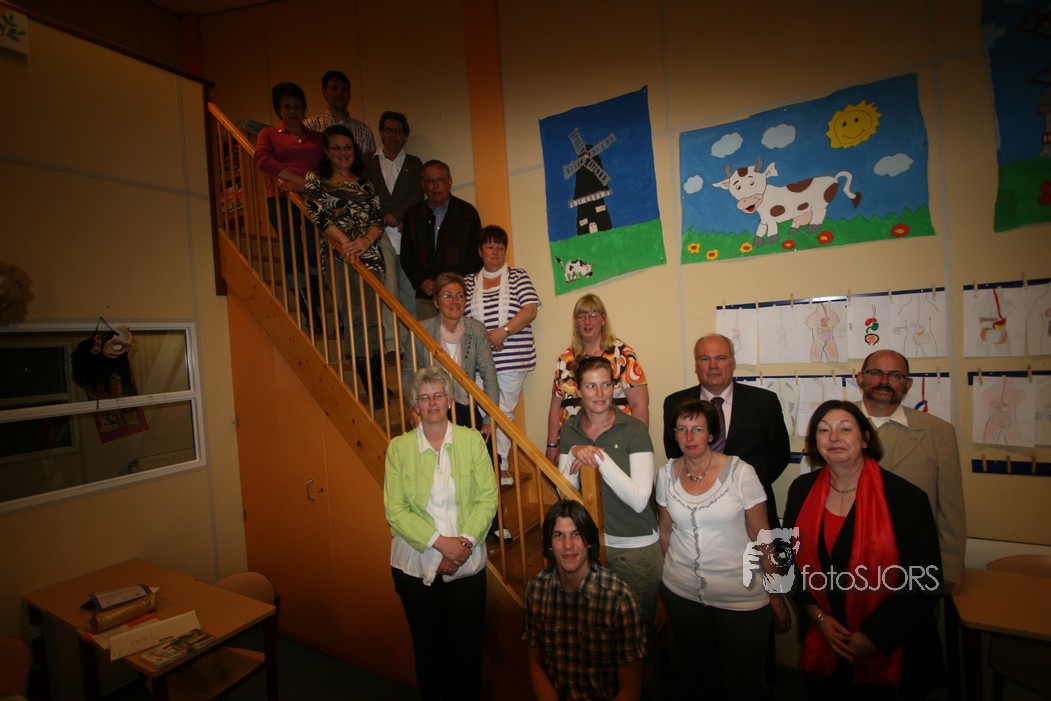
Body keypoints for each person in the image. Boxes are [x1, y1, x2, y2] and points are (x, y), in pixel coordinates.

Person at [782, 400, 943, 700]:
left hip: (890, 647)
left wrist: (873, 637)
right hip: (823, 640)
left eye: (845, 429)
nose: (834, 437)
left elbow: (924, 582)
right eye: (824, 430)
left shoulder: (906, 498)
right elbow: (789, 564)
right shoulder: (802, 489)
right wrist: (818, 617)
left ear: (866, 439)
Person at [657, 398, 791, 699]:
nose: (689, 437)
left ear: (711, 434)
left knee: (745, 683)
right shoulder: (665, 475)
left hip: (739, 599)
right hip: (682, 597)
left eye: (697, 429)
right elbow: (665, 531)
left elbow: (762, 535)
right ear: (674, 435)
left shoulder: (741, 473)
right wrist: (677, 573)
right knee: (699, 680)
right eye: (681, 429)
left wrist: (776, 592)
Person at [383, 366, 498, 701]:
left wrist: (462, 546)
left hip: (468, 567)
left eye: (438, 395)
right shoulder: (399, 448)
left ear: (449, 400)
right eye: (424, 397)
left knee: (468, 655)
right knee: (429, 655)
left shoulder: (472, 440)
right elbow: (395, 510)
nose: (432, 402)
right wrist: (442, 545)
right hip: (414, 567)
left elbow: (487, 498)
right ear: (415, 406)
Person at [558, 356, 661, 626]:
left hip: (635, 549)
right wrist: (573, 454)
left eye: (605, 385)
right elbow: (565, 494)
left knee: (638, 633)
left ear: (614, 387)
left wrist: (598, 458)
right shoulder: (569, 429)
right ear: (578, 390)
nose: (600, 393)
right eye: (591, 386)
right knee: (600, 631)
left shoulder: (634, 429)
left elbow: (640, 500)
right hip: (591, 548)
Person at [855, 349, 965, 589]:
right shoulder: (833, 425)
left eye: (895, 375)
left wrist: (949, 569)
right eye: (875, 373)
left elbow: (951, 508)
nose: (884, 381)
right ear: (860, 377)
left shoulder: (939, 432)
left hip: (914, 562)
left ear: (908, 384)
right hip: (848, 558)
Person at [522, 499, 647, 701]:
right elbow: (535, 663)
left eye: (577, 534)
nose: (568, 545)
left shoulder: (619, 600)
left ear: (589, 541)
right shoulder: (536, 591)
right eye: (558, 535)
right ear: (549, 545)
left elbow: (630, 689)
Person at [662, 333, 789, 530]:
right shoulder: (675, 403)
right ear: (696, 365)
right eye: (705, 359)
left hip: (752, 511)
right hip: (696, 514)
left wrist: (743, 486)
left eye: (721, 358)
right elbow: (674, 453)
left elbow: (779, 456)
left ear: (733, 362)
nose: (713, 366)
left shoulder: (764, 403)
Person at [303, 125, 386, 406]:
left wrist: (365, 241)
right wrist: (346, 243)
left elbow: (377, 221)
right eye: (336, 147)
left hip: (371, 257)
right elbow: (318, 215)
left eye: (347, 147)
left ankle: (378, 381)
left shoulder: (366, 184)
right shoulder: (316, 180)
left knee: (373, 321)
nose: (343, 152)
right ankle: (371, 386)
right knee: (356, 320)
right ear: (326, 151)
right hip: (339, 257)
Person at [464, 225, 541, 483]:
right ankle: (485, 464)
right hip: (477, 361)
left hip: (512, 358)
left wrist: (503, 332)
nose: (495, 251)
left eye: (500, 246)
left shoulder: (517, 276)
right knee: (480, 411)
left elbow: (530, 310)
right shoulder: (468, 282)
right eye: (490, 246)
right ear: (480, 251)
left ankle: (502, 465)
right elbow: (462, 321)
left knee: (503, 411)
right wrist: (484, 341)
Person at [545, 294, 649, 465]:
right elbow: (556, 407)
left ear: (603, 320)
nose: (587, 321)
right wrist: (551, 445)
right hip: (573, 443)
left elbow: (640, 405)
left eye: (593, 315)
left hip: (616, 442)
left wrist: (637, 445)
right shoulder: (564, 360)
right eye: (581, 316)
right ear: (575, 322)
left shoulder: (623, 355)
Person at [254, 81, 324, 329]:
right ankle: (310, 313)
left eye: (297, 106)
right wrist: (295, 181)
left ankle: (318, 305)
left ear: (304, 109)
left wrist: (307, 186)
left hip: (313, 200)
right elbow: (262, 159)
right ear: (279, 109)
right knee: (292, 252)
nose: (292, 111)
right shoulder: (269, 134)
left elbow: (327, 167)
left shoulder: (318, 138)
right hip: (282, 198)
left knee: (315, 251)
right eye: (287, 106)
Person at [402, 272, 499, 440]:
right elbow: (408, 373)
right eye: (447, 296)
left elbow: (489, 374)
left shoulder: (476, 329)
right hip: (431, 408)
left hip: (465, 406)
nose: (455, 301)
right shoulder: (420, 331)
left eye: (460, 296)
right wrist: (413, 406)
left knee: (484, 450)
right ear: (436, 302)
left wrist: (490, 417)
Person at [368, 111, 425, 353]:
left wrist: (400, 215)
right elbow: (367, 194)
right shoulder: (368, 163)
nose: (393, 135)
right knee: (389, 288)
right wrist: (385, 215)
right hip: (380, 234)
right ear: (381, 133)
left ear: (405, 136)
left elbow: (417, 195)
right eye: (389, 130)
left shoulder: (414, 163)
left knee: (410, 291)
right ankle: (392, 345)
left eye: (398, 131)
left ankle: (411, 345)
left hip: (406, 235)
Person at [400, 161, 482, 319]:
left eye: (440, 180)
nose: (435, 186)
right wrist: (422, 281)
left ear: (449, 182)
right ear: (423, 184)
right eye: (429, 181)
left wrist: (454, 284)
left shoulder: (467, 212)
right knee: (428, 335)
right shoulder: (412, 215)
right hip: (426, 297)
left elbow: (475, 255)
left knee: (460, 334)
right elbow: (407, 256)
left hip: (459, 297)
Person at [303, 70, 376, 155]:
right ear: (324, 92)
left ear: (349, 95)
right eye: (334, 88)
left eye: (344, 89)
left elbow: (369, 162)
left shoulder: (364, 131)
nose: (339, 92)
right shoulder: (310, 127)